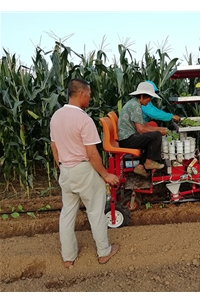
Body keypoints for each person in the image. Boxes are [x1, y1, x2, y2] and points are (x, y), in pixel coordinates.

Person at [50, 78, 120, 269]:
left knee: (67, 214)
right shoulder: (84, 120)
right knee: (96, 211)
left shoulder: (56, 116)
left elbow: (54, 148)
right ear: (81, 94)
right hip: (83, 170)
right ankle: (104, 252)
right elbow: (91, 153)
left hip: (65, 169)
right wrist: (106, 175)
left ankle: (68, 257)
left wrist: (63, 168)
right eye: (89, 94)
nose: (89, 97)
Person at [118, 81, 168, 178]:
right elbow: (141, 129)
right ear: (141, 96)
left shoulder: (135, 104)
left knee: (152, 136)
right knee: (156, 136)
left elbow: (144, 126)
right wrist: (158, 131)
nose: (149, 101)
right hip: (126, 139)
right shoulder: (135, 106)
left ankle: (140, 166)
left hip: (128, 137)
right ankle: (148, 162)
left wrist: (159, 128)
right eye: (149, 98)